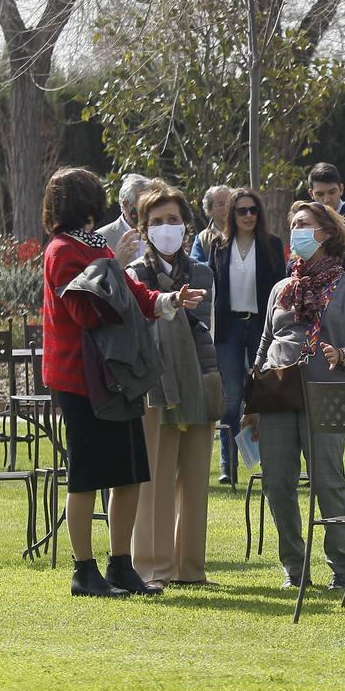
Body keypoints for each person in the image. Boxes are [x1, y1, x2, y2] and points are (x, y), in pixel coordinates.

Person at [40, 167, 205, 597]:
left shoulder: (97, 247)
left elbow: (133, 295)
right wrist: (110, 270)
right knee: (87, 476)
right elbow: (88, 311)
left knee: (129, 473)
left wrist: (169, 300)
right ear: (85, 204)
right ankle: (84, 570)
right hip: (79, 379)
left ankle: (120, 565)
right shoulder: (62, 250)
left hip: (118, 375)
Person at [242, 200, 345, 589]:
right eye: (293, 224)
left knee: (327, 481)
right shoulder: (283, 289)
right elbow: (266, 341)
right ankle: (295, 569)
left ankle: (343, 566)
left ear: (328, 232)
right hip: (277, 396)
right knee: (278, 483)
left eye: (305, 224)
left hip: (327, 394)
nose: (296, 231)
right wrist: (253, 397)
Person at [126, 183, 219, 588]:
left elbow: (204, 324)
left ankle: (190, 569)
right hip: (155, 386)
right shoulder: (135, 274)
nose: (167, 228)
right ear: (145, 229)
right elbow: (134, 327)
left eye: (174, 220)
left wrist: (181, 308)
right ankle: (153, 567)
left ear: (186, 227)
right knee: (155, 478)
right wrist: (168, 303)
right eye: (158, 221)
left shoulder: (202, 272)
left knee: (195, 476)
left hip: (198, 377)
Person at [209, 188, 287, 485]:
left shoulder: (271, 244)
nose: (248, 216)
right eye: (241, 211)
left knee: (262, 395)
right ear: (231, 214)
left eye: (253, 210)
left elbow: (280, 290)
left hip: (260, 327)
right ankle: (228, 467)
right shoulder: (219, 246)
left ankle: (269, 462)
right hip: (229, 329)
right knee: (230, 399)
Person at [97, 172, 149, 261]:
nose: (147, 210)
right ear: (126, 205)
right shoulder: (101, 238)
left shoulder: (158, 231)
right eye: (142, 204)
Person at [189, 185, 231, 264]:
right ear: (210, 210)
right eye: (220, 204)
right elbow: (196, 267)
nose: (227, 207)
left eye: (230, 203)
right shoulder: (203, 239)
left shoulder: (246, 231)